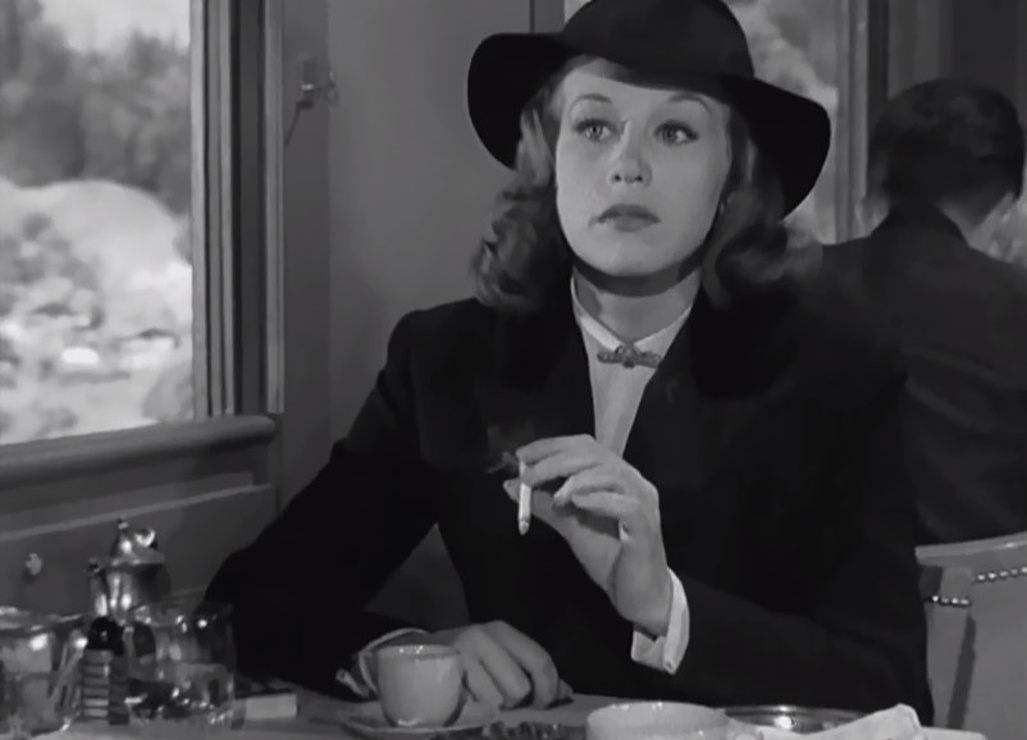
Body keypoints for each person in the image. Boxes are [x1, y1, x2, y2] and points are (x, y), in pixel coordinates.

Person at [207, 0, 933, 721]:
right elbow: (252, 601)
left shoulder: (833, 376)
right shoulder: (446, 360)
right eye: (594, 127)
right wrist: (410, 654)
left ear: (732, 181)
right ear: (547, 160)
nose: (627, 167)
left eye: (675, 131)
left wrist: (666, 608)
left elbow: (888, 684)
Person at [822, 79, 1027, 544]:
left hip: (817, 588)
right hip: (1001, 588)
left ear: (877, 191)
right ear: (1005, 209)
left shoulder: (794, 290)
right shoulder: (1016, 303)